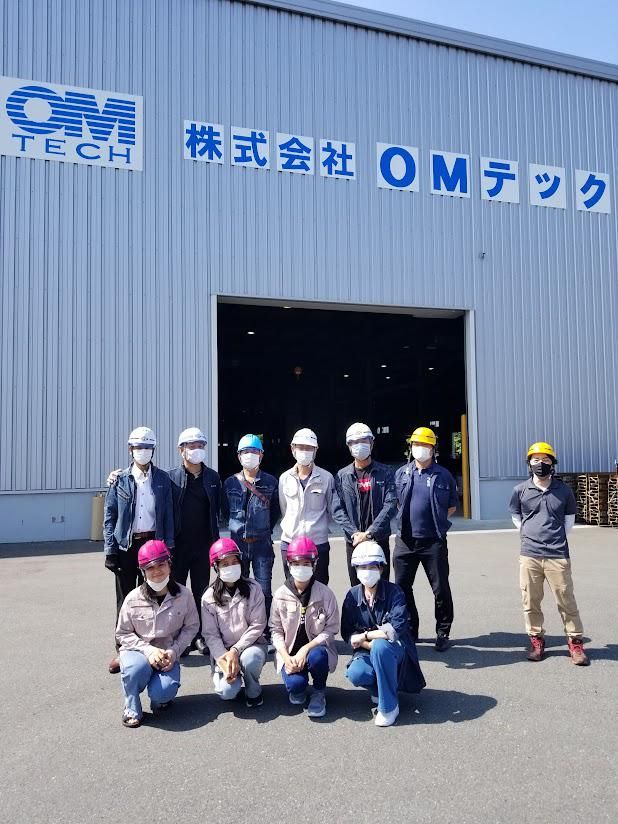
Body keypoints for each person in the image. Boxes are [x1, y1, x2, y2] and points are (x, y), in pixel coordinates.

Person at [509, 441, 589, 665]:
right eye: (536, 460)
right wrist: (529, 534)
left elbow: (568, 522)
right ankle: (536, 640)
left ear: (552, 463)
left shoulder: (563, 491)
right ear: (529, 464)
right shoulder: (520, 490)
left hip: (557, 554)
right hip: (530, 555)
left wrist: (554, 537)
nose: (540, 464)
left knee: (566, 600)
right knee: (530, 601)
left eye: (545, 460)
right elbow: (516, 516)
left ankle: (575, 643)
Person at [103, 427, 175, 674]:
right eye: (138, 447)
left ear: (153, 450)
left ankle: (153, 648)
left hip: (153, 544)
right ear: (130, 449)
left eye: (147, 447)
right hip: (127, 545)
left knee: (153, 598)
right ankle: (123, 651)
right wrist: (110, 550)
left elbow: (168, 515)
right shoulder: (119, 479)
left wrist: (168, 548)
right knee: (125, 600)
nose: (143, 451)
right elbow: (110, 516)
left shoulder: (163, 479)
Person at [341, 541, 426, 727]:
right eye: (362, 567)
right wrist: (366, 643)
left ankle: (389, 707)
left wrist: (365, 637)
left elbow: (395, 629)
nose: (367, 571)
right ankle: (379, 690)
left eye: (372, 566)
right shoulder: (352, 596)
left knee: (381, 647)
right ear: (356, 569)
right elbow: (347, 632)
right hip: (367, 650)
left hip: (396, 651)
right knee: (356, 673)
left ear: (381, 568)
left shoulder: (395, 592)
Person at [116, 540, 199, 728]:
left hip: (167, 654)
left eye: (161, 564)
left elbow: (192, 627)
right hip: (138, 653)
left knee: (163, 692)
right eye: (150, 567)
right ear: (142, 571)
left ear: (169, 564)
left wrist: (174, 652)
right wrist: (148, 651)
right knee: (135, 670)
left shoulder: (184, 595)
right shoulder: (132, 599)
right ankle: (131, 707)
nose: (157, 571)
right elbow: (122, 633)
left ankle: (160, 699)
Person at [393, 426, 458, 651]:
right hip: (405, 541)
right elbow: (397, 502)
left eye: (425, 445)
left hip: (433, 541)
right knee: (402, 588)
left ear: (433, 448)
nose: (420, 448)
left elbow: (451, 506)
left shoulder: (444, 475)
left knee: (440, 589)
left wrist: (435, 520)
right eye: (417, 444)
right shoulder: (401, 473)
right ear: (411, 447)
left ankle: (443, 632)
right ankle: (411, 629)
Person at [270, 536, 339, 718]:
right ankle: (299, 686)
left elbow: (331, 628)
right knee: (296, 687)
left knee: (318, 656)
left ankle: (319, 691)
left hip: (315, 651)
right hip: (290, 653)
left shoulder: (325, 593)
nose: (301, 567)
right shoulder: (280, 595)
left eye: (306, 563)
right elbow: (275, 630)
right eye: (296, 563)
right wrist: (286, 657)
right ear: (289, 564)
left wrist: (306, 649)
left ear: (314, 564)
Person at [168, 427, 222, 656]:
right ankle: (180, 636)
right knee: (177, 592)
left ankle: (200, 635)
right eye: (192, 446)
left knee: (202, 592)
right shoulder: (171, 478)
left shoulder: (212, 477)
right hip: (179, 546)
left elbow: (218, 509)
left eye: (200, 445)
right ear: (181, 450)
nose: (197, 449)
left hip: (203, 545)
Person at [201, 538, 268, 707]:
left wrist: (236, 650)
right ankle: (229, 678)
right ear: (216, 567)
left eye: (234, 562)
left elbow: (258, 625)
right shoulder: (208, 598)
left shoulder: (254, 588)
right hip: (223, 652)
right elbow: (210, 635)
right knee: (227, 692)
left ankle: (253, 689)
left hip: (251, 646)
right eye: (225, 564)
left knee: (251, 660)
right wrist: (224, 658)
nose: (231, 567)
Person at [221, 434, 280, 621]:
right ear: (239, 456)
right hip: (237, 545)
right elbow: (225, 511)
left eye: (254, 451)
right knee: (238, 588)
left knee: (264, 589)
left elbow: (275, 512)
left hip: (262, 544)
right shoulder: (230, 482)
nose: (250, 455)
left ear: (261, 455)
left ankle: (266, 627)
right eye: (245, 452)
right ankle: (242, 624)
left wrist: (263, 528)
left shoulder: (271, 482)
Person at [333, 422, 397, 585]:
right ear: (349, 446)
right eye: (354, 442)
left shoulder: (386, 472)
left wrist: (369, 533)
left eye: (363, 440)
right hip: (353, 541)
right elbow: (337, 509)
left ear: (372, 443)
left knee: (381, 587)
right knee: (357, 587)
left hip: (379, 538)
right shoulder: (342, 475)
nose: (359, 445)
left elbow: (390, 504)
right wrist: (355, 533)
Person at [278, 428, 336, 584]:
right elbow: (284, 508)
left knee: (320, 587)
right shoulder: (285, 478)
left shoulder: (326, 478)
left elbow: (330, 509)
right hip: (290, 542)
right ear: (293, 449)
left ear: (316, 450)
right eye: (301, 447)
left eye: (309, 448)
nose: (304, 451)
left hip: (318, 543)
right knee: (293, 588)